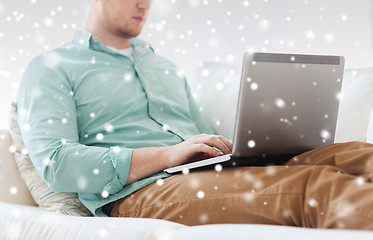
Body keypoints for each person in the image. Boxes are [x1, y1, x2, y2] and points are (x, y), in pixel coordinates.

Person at [16, 0, 373, 229]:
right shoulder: (51, 67)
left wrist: (254, 149)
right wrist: (168, 155)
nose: (145, 3)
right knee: (313, 188)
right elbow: (58, 164)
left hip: (204, 173)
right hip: (140, 194)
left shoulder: (165, 68)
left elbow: (202, 138)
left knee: (354, 154)